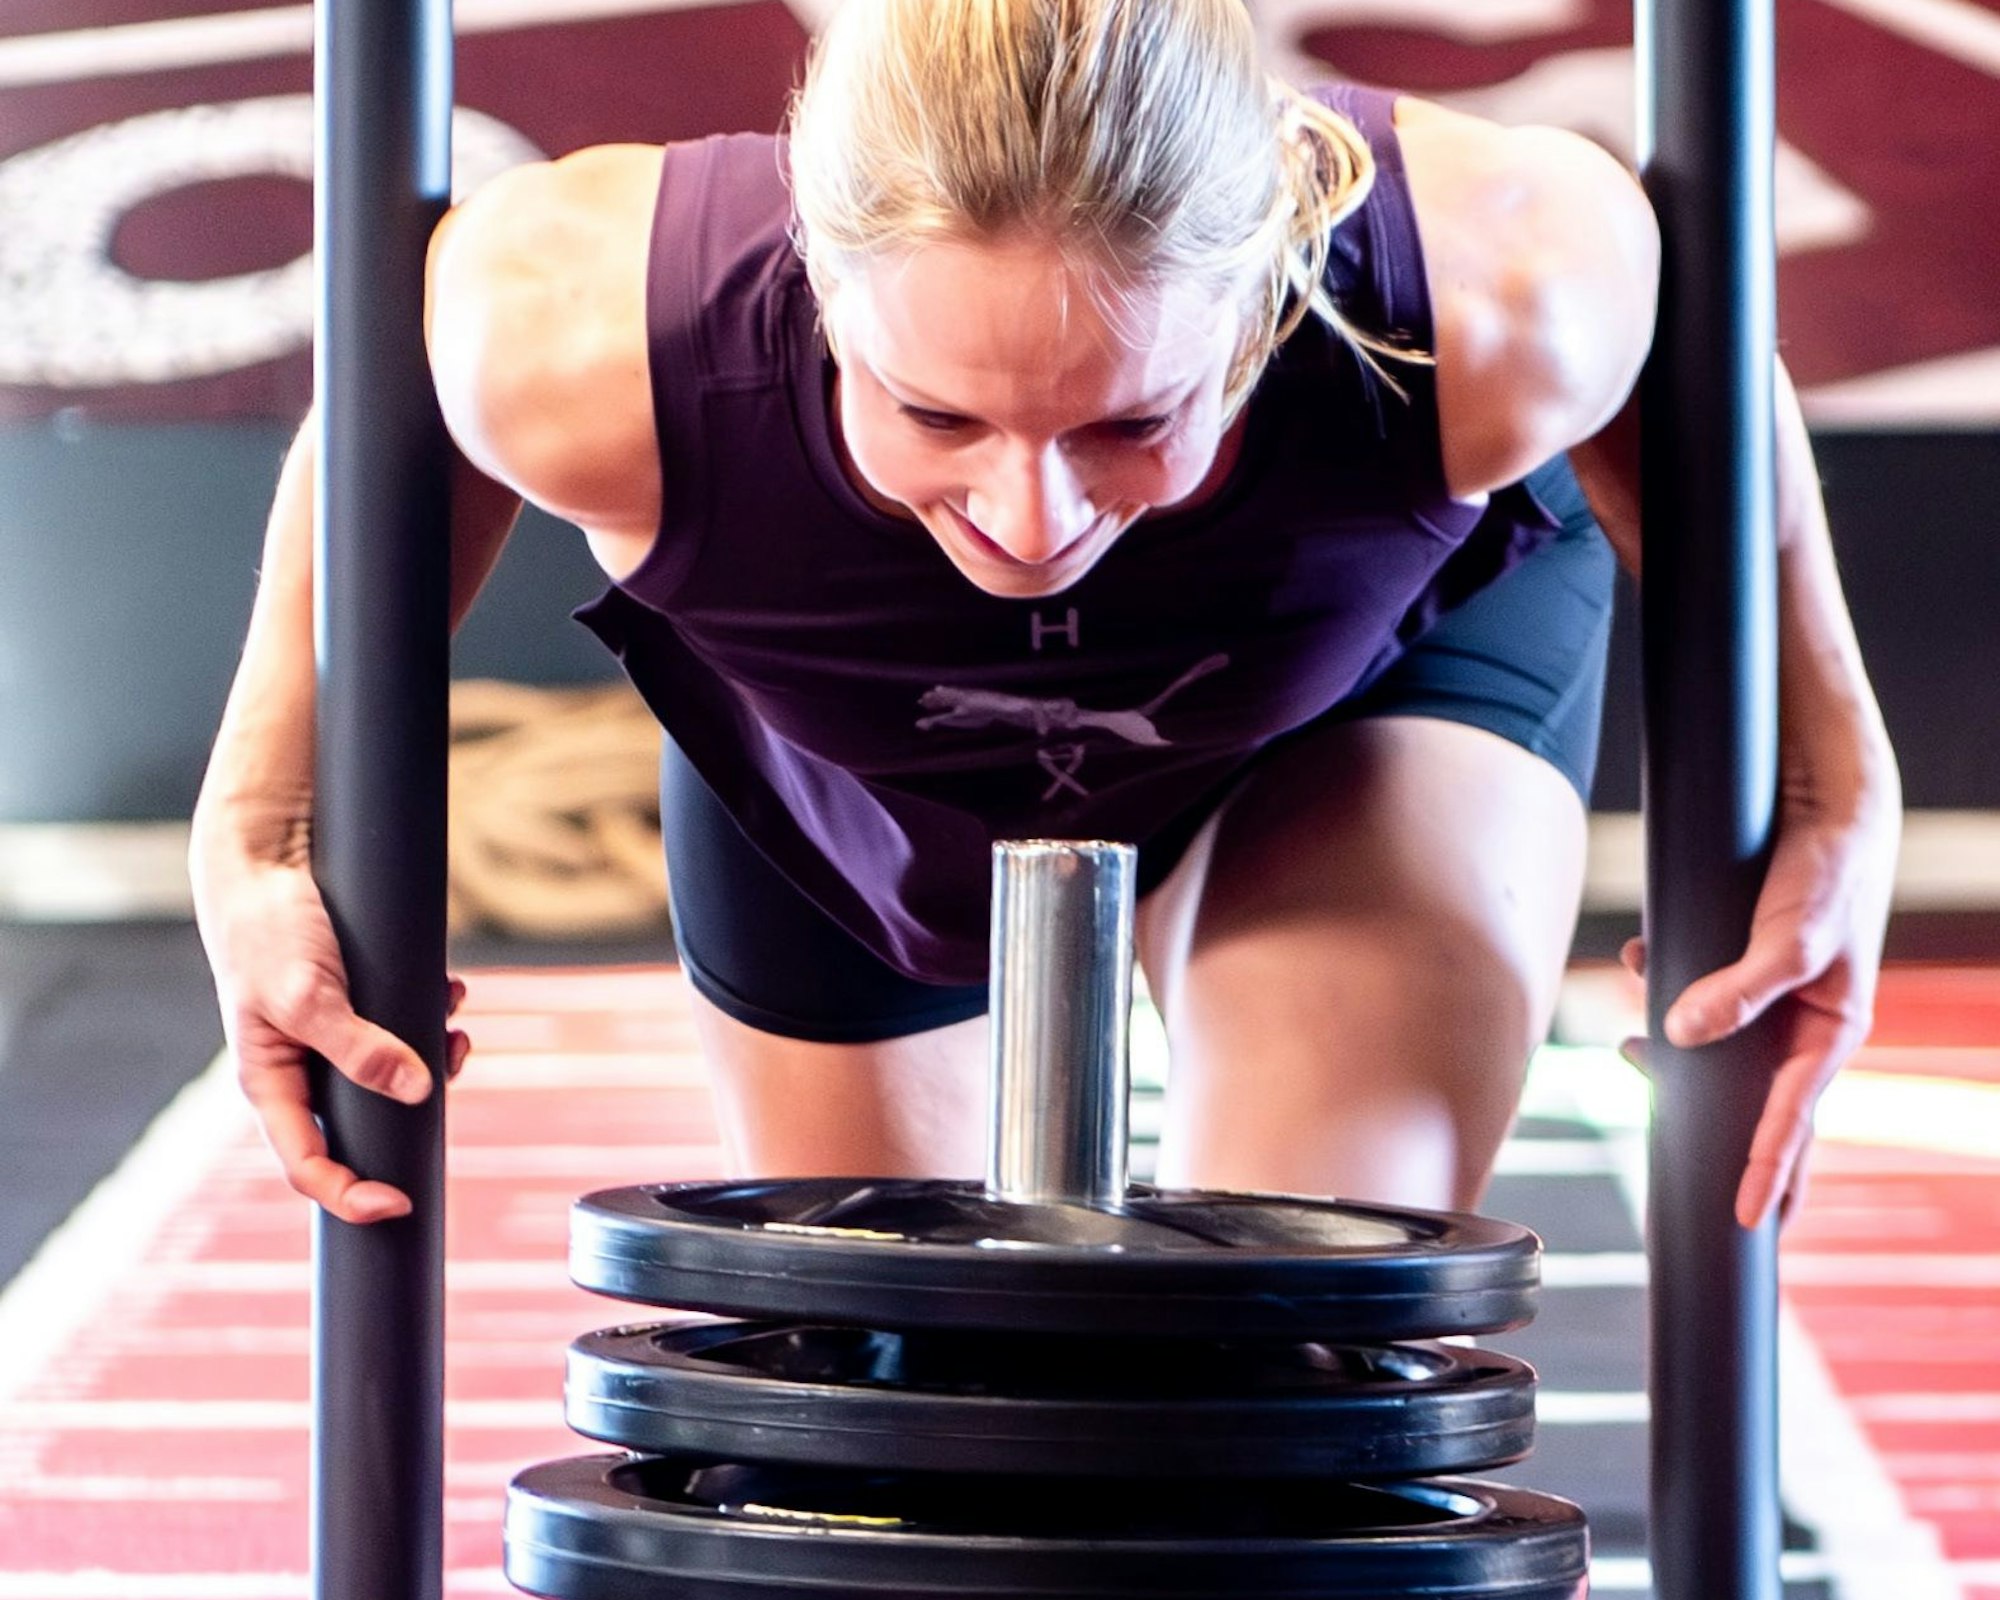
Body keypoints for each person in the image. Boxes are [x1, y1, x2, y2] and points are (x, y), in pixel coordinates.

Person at [191, 0, 1899, 1235]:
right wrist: (257, 835)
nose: (1035, 518)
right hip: (842, 744)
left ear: (1247, 317)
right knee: (873, 1399)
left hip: (1358, 679)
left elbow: (1694, 358)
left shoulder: (1504, 282)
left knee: (1294, 1330)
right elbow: (384, 421)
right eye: (938, 419)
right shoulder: (562, 327)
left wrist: (1837, 790)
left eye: (1129, 423)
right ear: (825, 299)